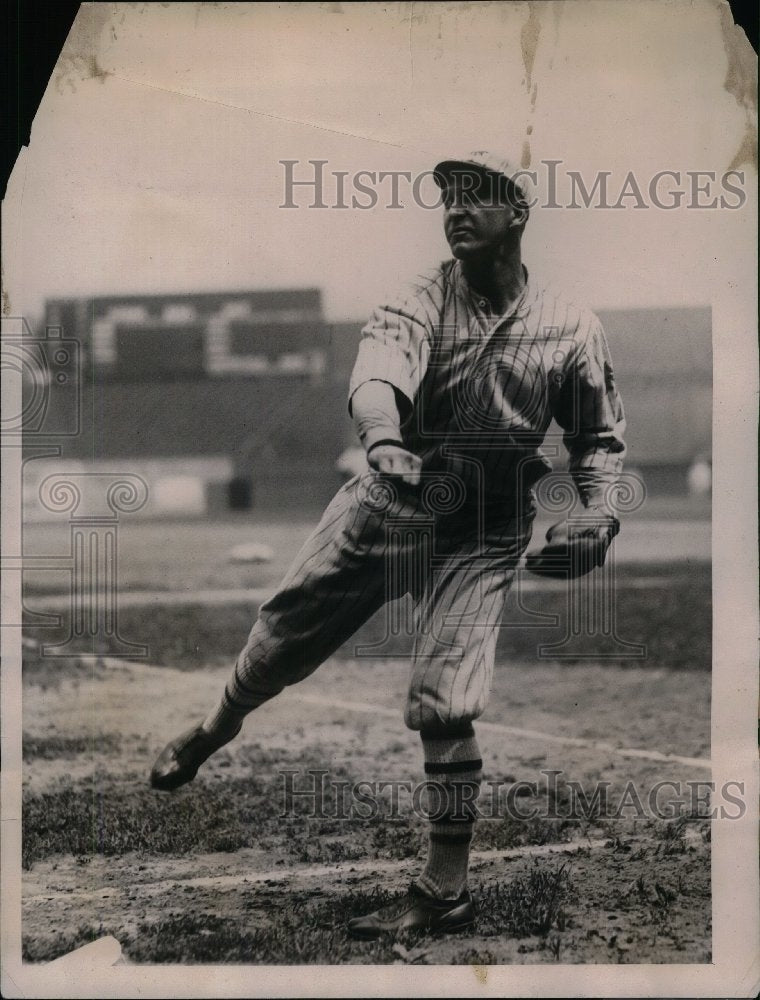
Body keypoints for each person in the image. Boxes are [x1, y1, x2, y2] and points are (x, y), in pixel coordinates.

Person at [150, 151, 626, 938]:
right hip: (391, 500)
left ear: (518, 214)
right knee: (279, 641)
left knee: (446, 695)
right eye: (448, 196)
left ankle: (444, 891)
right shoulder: (418, 299)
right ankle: (214, 729)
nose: (456, 208)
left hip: (486, 523)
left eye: (477, 195)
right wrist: (382, 438)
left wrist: (599, 517)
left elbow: (597, 439)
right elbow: (377, 379)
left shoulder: (572, 325)